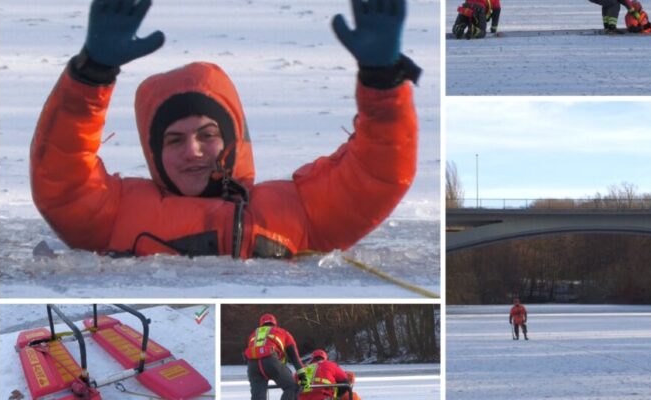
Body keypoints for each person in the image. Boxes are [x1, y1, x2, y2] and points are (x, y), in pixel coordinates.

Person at [30, 0, 420, 259]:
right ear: (154, 152)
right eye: (173, 139)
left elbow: (378, 173)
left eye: (207, 135)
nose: (193, 151)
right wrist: (90, 76)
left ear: (233, 140)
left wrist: (382, 83)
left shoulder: (300, 210)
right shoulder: (114, 214)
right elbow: (61, 177)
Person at [244, 314, 306, 400]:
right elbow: (294, 356)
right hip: (271, 361)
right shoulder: (282, 332)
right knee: (292, 388)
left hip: (252, 365)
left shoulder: (254, 334)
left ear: (261, 324)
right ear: (275, 323)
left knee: (258, 397)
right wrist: (302, 376)